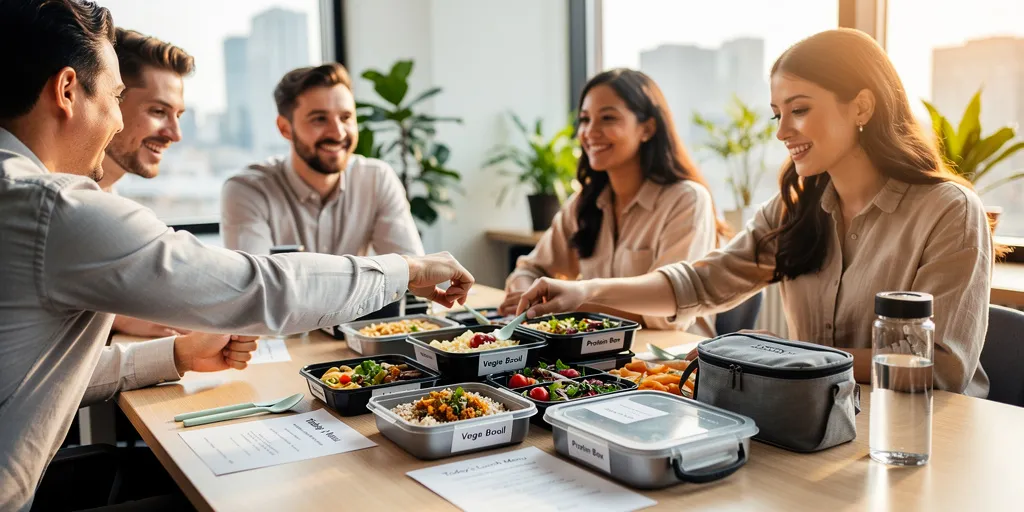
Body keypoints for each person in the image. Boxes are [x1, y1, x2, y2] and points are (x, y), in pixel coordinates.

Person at [0, 1, 473, 509]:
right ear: (68, 90)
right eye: (117, 97)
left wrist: (177, 355)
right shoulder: (53, 207)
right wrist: (410, 269)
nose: (117, 122)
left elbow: (34, 373)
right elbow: (257, 288)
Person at [516, 28, 992, 397]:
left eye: (799, 109)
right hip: (812, 419)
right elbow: (700, 284)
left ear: (862, 106)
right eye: (776, 113)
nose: (782, 130)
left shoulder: (948, 211)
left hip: (921, 433)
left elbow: (943, 365)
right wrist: (582, 291)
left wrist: (785, 356)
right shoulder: (793, 210)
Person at [500, 69, 730, 337]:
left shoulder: (686, 200)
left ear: (647, 128)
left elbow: (668, 317)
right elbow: (531, 267)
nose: (590, 132)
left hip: (672, 361)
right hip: (599, 356)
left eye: (607, 118)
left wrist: (574, 300)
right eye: (585, 120)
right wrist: (524, 290)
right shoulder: (584, 203)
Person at [220, 63, 425, 258]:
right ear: (285, 128)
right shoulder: (247, 190)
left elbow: (414, 273)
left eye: (345, 117)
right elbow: (257, 288)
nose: (337, 133)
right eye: (319, 119)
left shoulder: (376, 179)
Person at [98, 27, 195, 338]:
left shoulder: (110, 199)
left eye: (178, 114)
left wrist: (118, 317)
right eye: (158, 111)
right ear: (110, 101)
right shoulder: (59, 200)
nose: (175, 134)